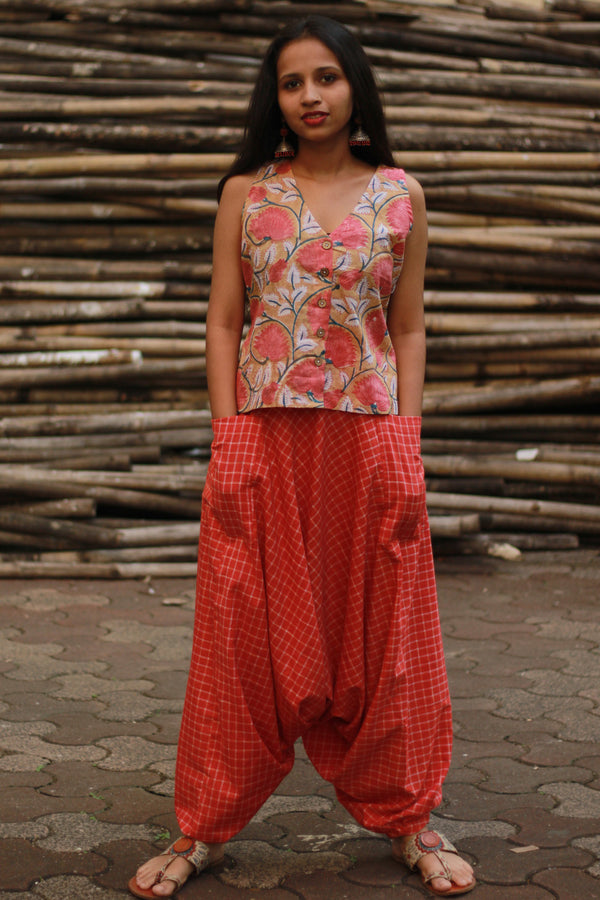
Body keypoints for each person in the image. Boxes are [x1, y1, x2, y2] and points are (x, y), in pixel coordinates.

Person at [129, 14, 476, 899]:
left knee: (384, 631)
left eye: (326, 77)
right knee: (240, 634)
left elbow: (406, 327)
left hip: (367, 439)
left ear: (354, 86)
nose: (311, 96)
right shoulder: (249, 193)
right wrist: (228, 430)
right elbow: (221, 320)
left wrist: (407, 437)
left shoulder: (402, 194)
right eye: (292, 83)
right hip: (266, 436)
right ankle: (201, 828)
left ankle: (409, 820)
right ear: (274, 100)